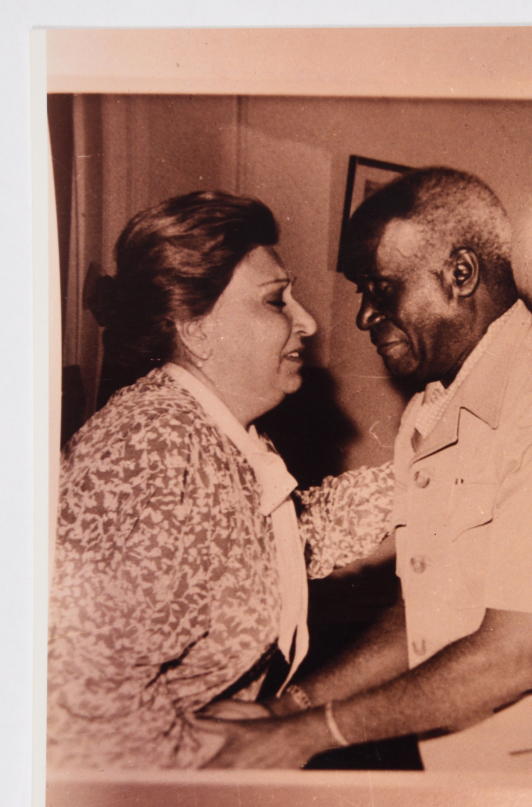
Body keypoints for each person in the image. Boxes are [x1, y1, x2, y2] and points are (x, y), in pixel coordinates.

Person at [201, 167, 532, 773]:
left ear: (459, 274)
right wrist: (288, 709)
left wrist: (307, 734)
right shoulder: (435, 407)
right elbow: (431, 609)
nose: (364, 316)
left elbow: (513, 658)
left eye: (380, 287)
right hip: (467, 764)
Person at [47, 190, 394, 771]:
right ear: (196, 329)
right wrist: (215, 776)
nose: (306, 321)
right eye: (276, 301)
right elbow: (76, 698)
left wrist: (421, 478)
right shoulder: (152, 449)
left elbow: (278, 540)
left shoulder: (204, 429)